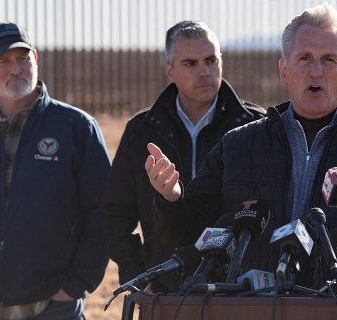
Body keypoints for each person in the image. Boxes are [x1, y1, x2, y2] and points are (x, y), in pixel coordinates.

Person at [144, 4, 337, 308]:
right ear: (284, 70)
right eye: (304, 58)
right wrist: (171, 197)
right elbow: (184, 232)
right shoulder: (237, 145)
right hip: (249, 312)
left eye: (329, 59)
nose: (316, 71)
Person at [0, 21, 110, 319]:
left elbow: (102, 213)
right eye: (3, 61)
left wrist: (75, 286)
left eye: (23, 58)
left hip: (54, 309)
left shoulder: (77, 129)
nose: (16, 69)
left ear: (36, 60)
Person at [101, 20, 266, 293]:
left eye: (211, 60)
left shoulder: (255, 127)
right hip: (162, 291)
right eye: (190, 63)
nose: (204, 71)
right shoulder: (141, 130)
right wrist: (140, 279)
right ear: (170, 71)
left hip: (236, 292)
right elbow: (115, 216)